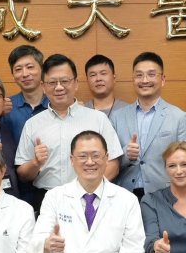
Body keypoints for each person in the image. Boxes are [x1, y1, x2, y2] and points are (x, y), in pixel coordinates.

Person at [16, 54, 123, 210]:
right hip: (46, 199)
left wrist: (89, 192)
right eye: (52, 82)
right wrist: (36, 163)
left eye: (65, 81)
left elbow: (113, 164)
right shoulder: (32, 124)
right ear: (43, 87)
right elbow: (23, 174)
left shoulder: (98, 119)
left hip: (90, 199)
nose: (59, 87)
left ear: (76, 83)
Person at [110, 52, 186, 199]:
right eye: (139, 75)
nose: (145, 80)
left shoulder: (178, 117)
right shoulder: (117, 117)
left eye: (151, 74)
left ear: (162, 79)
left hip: (164, 194)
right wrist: (126, 154)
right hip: (124, 195)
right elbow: (107, 162)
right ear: (133, 79)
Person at [2, 45, 49, 144]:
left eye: (30, 67)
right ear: (13, 75)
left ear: (42, 70)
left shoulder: (56, 104)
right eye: (18, 69)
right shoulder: (6, 107)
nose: (25, 74)